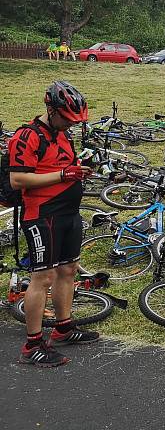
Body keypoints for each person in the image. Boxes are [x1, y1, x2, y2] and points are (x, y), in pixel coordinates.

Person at [7, 81, 95, 367]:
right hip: (41, 215)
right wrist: (64, 175)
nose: (70, 125)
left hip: (69, 213)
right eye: (67, 119)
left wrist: (78, 173)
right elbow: (18, 180)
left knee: (67, 270)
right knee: (42, 277)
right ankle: (32, 345)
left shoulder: (63, 135)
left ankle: (63, 327)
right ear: (51, 109)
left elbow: (64, 170)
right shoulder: (27, 136)